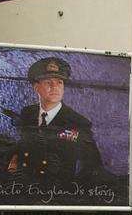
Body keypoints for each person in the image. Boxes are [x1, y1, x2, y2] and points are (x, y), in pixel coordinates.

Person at [7, 57, 105, 186]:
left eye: (59, 82)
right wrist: (14, 160)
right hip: (24, 184)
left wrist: (72, 190)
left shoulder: (77, 122)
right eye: (48, 82)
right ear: (36, 87)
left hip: (57, 190)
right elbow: (23, 142)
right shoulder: (28, 113)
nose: (55, 87)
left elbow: (92, 164)